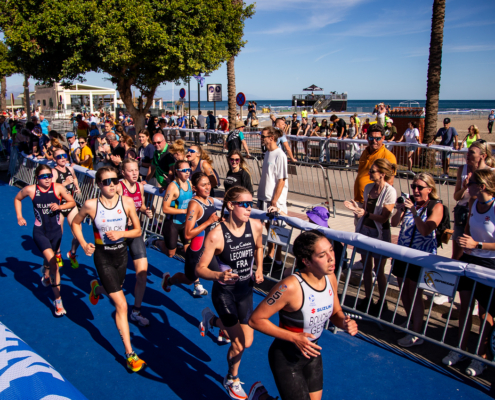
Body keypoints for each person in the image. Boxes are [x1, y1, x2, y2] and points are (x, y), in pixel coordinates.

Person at [249, 230, 358, 400]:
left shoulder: (330, 278)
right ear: (306, 261)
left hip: (312, 355)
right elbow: (255, 320)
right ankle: (261, 397)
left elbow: (336, 312)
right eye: (322, 254)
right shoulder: (289, 287)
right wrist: (294, 338)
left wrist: (344, 322)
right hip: (287, 358)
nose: (331, 257)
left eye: (331, 250)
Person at [71, 166, 147, 372]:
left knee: (116, 292)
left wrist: (122, 233)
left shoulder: (127, 202)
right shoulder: (90, 205)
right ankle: (130, 354)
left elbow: (138, 230)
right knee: (122, 305)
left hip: (121, 256)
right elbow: (76, 224)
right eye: (106, 182)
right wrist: (84, 243)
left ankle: (97, 288)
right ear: (98, 184)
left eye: (114, 180)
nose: (112, 184)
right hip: (103, 257)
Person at [196, 186, 264, 399]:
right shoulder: (217, 234)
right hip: (224, 293)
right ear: (231, 206)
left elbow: (259, 248)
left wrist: (259, 268)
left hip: (246, 290)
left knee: (248, 341)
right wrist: (218, 276)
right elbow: (200, 268)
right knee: (239, 342)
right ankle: (231, 379)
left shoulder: (256, 226)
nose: (249, 208)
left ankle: (212, 321)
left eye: (251, 204)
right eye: (244, 204)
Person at [446, 169, 495, 377]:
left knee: (485, 313)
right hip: (470, 259)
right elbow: (467, 228)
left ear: (481, 186)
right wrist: (464, 242)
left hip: (489, 264)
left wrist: (478, 244)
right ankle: (460, 349)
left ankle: (481, 357)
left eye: (471, 182)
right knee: (465, 305)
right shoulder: (474, 203)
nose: (467, 185)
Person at [14, 164, 76, 316]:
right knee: (55, 262)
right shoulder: (31, 189)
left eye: (49, 176)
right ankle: (58, 301)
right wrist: (19, 216)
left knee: (50, 260)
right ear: (37, 178)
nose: (47, 179)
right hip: (40, 232)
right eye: (43, 176)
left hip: (56, 233)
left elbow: (72, 202)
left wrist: (60, 207)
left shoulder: (58, 188)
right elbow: (17, 198)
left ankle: (46, 271)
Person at [391, 173, 444, 347]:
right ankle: (410, 321)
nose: (415, 190)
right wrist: (399, 209)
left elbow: (426, 230)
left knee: (415, 294)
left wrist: (414, 212)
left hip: (420, 257)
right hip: (402, 254)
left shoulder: (436, 206)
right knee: (404, 291)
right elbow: (393, 223)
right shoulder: (409, 204)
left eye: (420, 187)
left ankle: (417, 332)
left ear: (430, 189)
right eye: (414, 186)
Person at [344, 159, 397, 313]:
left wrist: (366, 213)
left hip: (380, 233)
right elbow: (366, 210)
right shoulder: (368, 188)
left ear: (382, 174)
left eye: (373, 171)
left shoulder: (390, 191)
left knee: (379, 270)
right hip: (366, 230)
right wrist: (357, 209)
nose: (369, 174)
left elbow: (384, 218)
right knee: (366, 267)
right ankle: (368, 298)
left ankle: (382, 301)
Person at [161, 172, 215, 297]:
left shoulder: (211, 200)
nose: (207, 187)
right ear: (195, 188)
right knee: (189, 280)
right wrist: (209, 222)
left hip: (209, 249)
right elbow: (188, 234)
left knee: (222, 275)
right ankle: (169, 281)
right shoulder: (194, 205)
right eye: (203, 185)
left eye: (208, 183)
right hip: (196, 251)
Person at [115, 159, 153, 326]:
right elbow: (111, 207)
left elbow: (141, 205)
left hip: (135, 233)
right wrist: (125, 217)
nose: (135, 173)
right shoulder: (118, 187)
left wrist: (146, 211)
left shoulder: (140, 186)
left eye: (136, 170)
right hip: (121, 234)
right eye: (130, 170)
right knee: (117, 281)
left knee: (142, 274)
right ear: (123, 173)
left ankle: (136, 311)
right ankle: (98, 288)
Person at [452, 141, 494, 260]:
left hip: (483, 213)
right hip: (463, 212)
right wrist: (465, 187)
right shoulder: (462, 169)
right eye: (467, 152)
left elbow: (489, 196)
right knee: (458, 254)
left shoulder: (490, 172)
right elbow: (456, 197)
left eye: (472, 152)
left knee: (477, 251)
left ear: (483, 156)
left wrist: (478, 173)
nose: (468, 155)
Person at [258, 126, 288, 270]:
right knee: (269, 227)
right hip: (264, 197)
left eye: (263, 136)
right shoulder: (267, 153)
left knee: (278, 229)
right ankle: (270, 255)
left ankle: (278, 260)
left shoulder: (280, 154)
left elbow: (281, 180)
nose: (261, 138)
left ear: (271, 137)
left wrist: (275, 201)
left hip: (274, 200)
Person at [151, 160, 193, 257]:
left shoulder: (189, 183)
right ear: (177, 171)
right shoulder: (173, 187)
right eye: (184, 170)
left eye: (189, 170)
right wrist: (184, 211)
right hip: (172, 224)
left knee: (189, 251)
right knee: (170, 254)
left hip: (185, 222)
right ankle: (157, 242)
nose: (187, 172)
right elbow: (165, 209)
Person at [51, 148, 82, 269]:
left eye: (64, 155)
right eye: (59, 156)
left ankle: (72, 253)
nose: (63, 158)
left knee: (78, 234)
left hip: (70, 205)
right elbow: (52, 189)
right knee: (59, 234)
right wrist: (64, 184)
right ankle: (58, 254)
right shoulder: (54, 172)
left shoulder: (70, 169)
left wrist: (77, 187)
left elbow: (74, 178)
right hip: (59, 205)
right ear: (54, 159)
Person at [354, 124, 397, 204]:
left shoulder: (388, 156)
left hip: (374, 202)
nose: (374, 141)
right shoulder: (365, 152)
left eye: (377, 138)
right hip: (360, 199)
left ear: (383, 138)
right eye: (371, 138)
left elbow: (389, 182)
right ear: (367, 138)